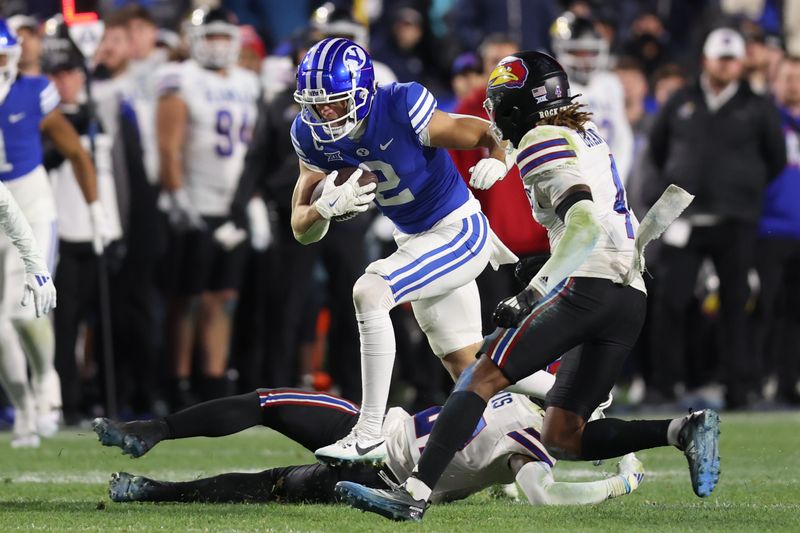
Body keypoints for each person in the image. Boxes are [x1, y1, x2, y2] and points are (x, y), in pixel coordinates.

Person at [334, 52, 721, 522]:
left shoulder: (540, 138)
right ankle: (683, 429)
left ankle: (411, 495)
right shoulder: (584, 134)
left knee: (479, 375)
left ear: (517, 106)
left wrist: (534, 292)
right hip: (630, 294)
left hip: (589, 284)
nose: (493, 115)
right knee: (563, 433)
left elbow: (582, 225)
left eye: (498, 104)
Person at [290, 38, 561, 465]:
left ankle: (369, 431)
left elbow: (484, 131)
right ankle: (573, 395)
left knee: (370, 291)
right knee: (470, 368)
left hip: (458, 229)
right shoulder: (310, 135)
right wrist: (323, 209)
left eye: (334, 102)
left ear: (362, 93)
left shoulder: (400, 105)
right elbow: (301, 228)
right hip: (414, 239)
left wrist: (500, 157)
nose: (324, 114)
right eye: (316, 104)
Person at [91, 388, 644, 506]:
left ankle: (155, 431)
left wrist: (621, 478)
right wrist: (620, 479)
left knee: (266, 405)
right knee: (272, 486)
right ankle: (151, 491)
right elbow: (531, 489)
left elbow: (540, 494)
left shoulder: (525, 414)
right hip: (380, 476)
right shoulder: (527, 419)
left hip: (374, 437)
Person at [647, 28, 786, 409]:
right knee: (671, 303)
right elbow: (658, 151)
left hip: (735, 220)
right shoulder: (681, 100)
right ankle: (665, 386)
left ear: (741, 63)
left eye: (732, 59)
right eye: (720, 58)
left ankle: (737, 389)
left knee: (735, 305)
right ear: (706, 59)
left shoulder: (757, 106)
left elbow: (774, 159)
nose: (726, 65)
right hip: (685, 219)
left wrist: (742, 191)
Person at [0, 18, 103, 447]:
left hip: (31, 204)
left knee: (25, 309)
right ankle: (23, 407)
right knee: (1, 328)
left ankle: (47, 380)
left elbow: (76, 151)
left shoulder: (32, 90)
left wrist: (95, 211)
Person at [157, 7, 260, 403]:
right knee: (188, 298)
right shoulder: (180, 78)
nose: (217, 45)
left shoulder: (249, 83)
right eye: (210, 36)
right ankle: (178, 381)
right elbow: (169, 145)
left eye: (223, 37)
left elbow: (258, 147)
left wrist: (252, 200)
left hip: (233, 205)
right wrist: (177, 195)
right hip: (195, 203)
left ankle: (214, 383)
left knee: (225, 296)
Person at [755, 55, 800, 404]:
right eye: (788, 77)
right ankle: (757, 380)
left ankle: (787, 382)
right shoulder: (763, 119)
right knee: (765, 308)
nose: (794, 84)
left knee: (794, 314)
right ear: (775, 80)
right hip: (768, 228)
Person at [550, 12, 634, 184]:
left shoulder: (610, 84)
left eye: (590, 53)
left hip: (608, 176)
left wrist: (617, 180)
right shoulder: (553, 87)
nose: (585, 60)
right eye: (578, 53)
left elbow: (622, 137)